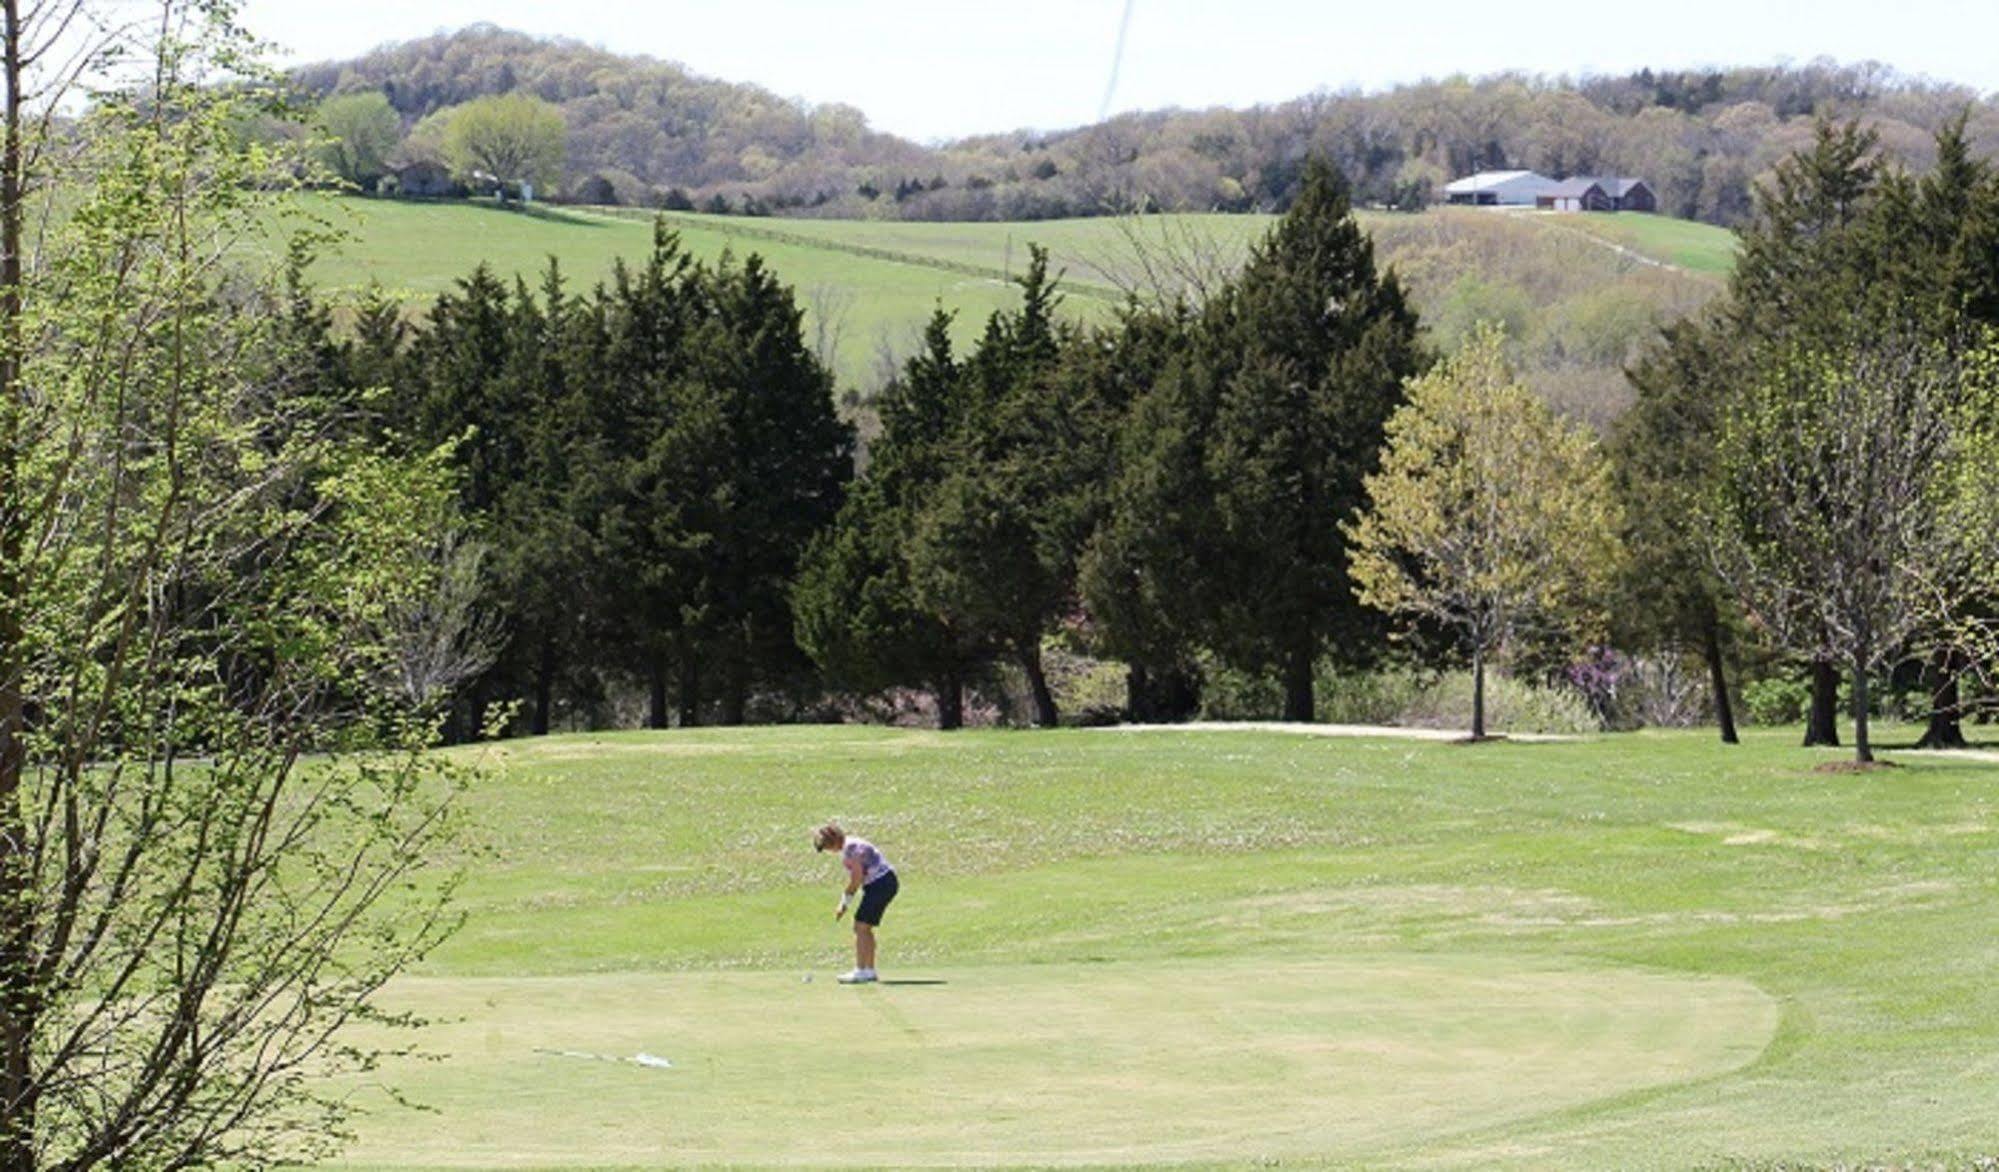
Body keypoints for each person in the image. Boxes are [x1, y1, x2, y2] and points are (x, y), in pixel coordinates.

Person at [814, 821, 898, 984]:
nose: (827, 850)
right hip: (882, 883)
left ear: (833, 841)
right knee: (864, 927)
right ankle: (869, 970)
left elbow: (856, 879)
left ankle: (861, 971)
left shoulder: (851, 849)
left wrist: (844, 904)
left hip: (881, 884)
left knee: (861, 926)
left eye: (826, 846)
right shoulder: (849, 845)